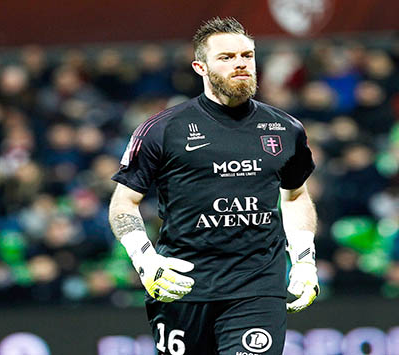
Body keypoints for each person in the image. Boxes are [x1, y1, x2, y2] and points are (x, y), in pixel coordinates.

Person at [108, 17, 318, 355]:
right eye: (226, 57)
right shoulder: (163, 129)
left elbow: (295, 197)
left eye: (246, 56)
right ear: (200, 67)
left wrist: (305, 259)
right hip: (183, 286)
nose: (240, 64)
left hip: (257, 286)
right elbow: (124, 203)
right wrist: (144, 258)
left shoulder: (285, 128)